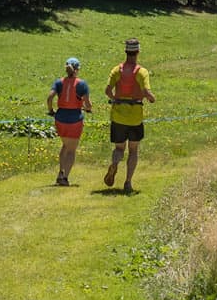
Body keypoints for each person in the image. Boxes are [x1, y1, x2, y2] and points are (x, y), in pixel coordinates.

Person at [103, 37, 155, 193]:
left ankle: (115, 164)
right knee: (133, 150)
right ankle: (127, 182)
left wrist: (116, 100)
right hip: (135, 117)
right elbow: (146, 91)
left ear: (126, 51)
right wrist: (152, 98)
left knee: (119, 148)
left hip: (118, 115)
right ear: (138, 52)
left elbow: (107, 91)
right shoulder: (142, 72)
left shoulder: (116, 70)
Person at [47, 58, 91, 186]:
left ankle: (60, 172)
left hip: (60, 118)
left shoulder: (59, 82)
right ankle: (65, 177)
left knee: (65, 145)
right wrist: (87, 109)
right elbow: (88, 104)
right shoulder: (82, 84)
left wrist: (51, 110)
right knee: (71, 150)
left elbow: (50, 97)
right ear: (77, 69)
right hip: (74, 119)